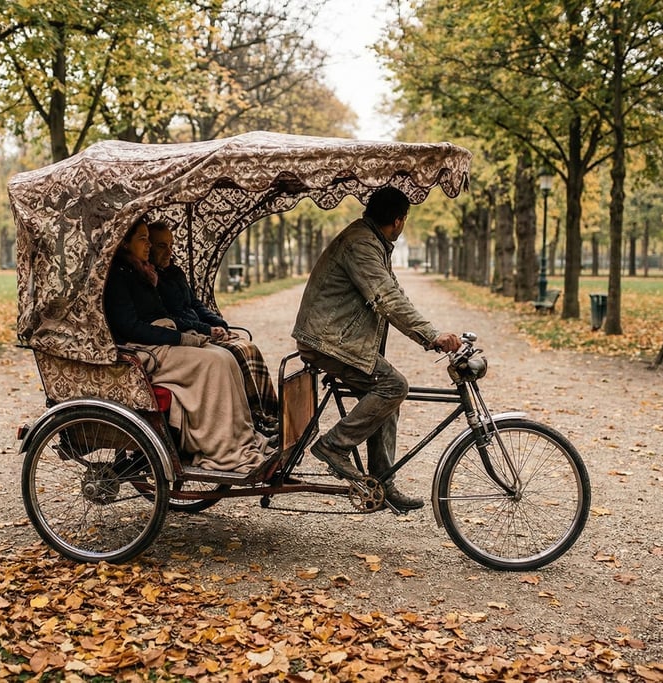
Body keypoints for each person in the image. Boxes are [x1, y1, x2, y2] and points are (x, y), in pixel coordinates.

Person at [292, 187, 463, 511]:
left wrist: (432, 332)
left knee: (389, 398)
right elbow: (386, 299)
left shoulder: (372, 242)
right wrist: (431, 336)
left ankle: (382, 482)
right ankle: (333, 446)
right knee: (394, 385)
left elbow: (395, 292)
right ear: (399, 220)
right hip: (326, 340)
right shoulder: (362, 244)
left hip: (338, 337)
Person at [104, 218, 269, 475]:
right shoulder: (118, 276)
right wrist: (182, 338)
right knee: (213, 363)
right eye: (143, 239)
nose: (148, 245)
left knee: (225, 357)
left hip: (160, 340)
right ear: (125, 243)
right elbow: (131, 327)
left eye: (149, 239)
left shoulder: (144, 272)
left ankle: (241, 439)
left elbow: (174, 311)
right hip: (141, 349)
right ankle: (222, 448)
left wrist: (192, 331)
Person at [146, 221, 279, 435]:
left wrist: (218, 323)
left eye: (171, 245)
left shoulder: (175, 272)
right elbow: (169, 317)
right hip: (185, 334)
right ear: (149, 247)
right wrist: (206, 330)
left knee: (247, 347)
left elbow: (195, 304)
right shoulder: (152, 280)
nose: (169, 251)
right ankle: (253, 418)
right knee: (234, 352)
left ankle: (269, 412)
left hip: (201, 330)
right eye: (162, 246)